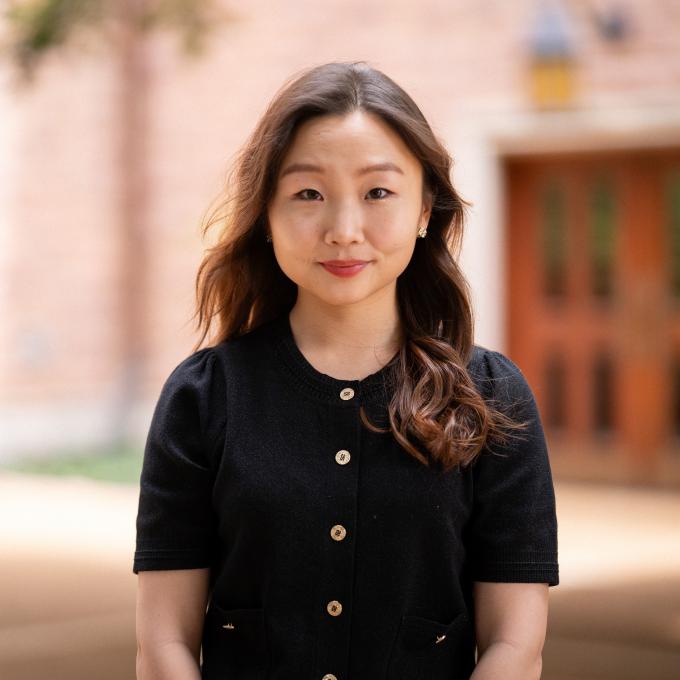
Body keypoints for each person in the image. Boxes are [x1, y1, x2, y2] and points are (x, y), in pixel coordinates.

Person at [133, 60, 559, 680]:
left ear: (424, 212)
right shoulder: (202, 398)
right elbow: (164, 642)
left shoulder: (492, 397)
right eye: (308, 193)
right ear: (267, 215)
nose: (344, 230)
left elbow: (515, 645)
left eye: (378, 192)